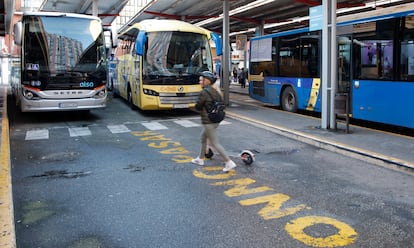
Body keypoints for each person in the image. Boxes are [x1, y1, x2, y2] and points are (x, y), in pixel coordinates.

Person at [192, 71, 237, 172]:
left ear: (206, 81)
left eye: (201, 80)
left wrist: (196, 105)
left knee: (215, 143)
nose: (199, 82)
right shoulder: (215, 90)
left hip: (209, 121)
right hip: (216, 120)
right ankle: (200, 158)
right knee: (203, 138)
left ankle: (228, 162)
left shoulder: (204, 92)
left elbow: (198, 106)